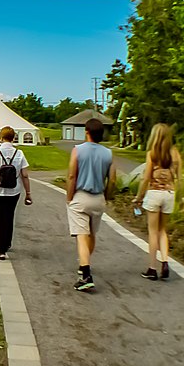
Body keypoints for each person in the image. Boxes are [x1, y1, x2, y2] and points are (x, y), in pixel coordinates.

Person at [67, 118, 116, 291]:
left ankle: (86, 274)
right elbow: (113, 179)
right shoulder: (108, 154)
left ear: (87, 132)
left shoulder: (78, 151)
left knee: (81, 235)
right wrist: (107, 196)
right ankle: (84, 263)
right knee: (92, 233)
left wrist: (69, 196)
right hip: (98, 197)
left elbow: (72, 175)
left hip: (81, 196)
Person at [132, 123, 183, 281]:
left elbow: (146, 178)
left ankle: (152, 268)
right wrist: (181, 198)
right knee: (163, 230)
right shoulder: (175, 154)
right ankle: (165, 261)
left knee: (153, 231)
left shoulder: (152, 154)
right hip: (169, 193)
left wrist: (138, 197)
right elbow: (180, 178)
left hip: (154, 193)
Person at [0, 126, 32, 260]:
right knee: (9, 217)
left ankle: (1, 250)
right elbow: (25, 175)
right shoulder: (19, 154)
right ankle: (7, 242)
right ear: (13, 138)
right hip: (14, 190)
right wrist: (28, 193)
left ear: (1, 137)